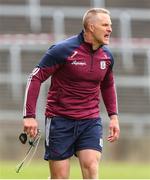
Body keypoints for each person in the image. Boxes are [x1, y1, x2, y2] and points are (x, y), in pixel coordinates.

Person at [23, 8, 120, 179]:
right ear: (91, 27)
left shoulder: (107, 56)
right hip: (59, 121)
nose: (110, 29)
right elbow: (35, 78)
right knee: (60, 177)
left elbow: (107, 84)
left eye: (110, 25)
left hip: (90, 121)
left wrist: (113, 117)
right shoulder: (63, 50)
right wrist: (29, 116)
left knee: (91, 167)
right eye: (105, 25)